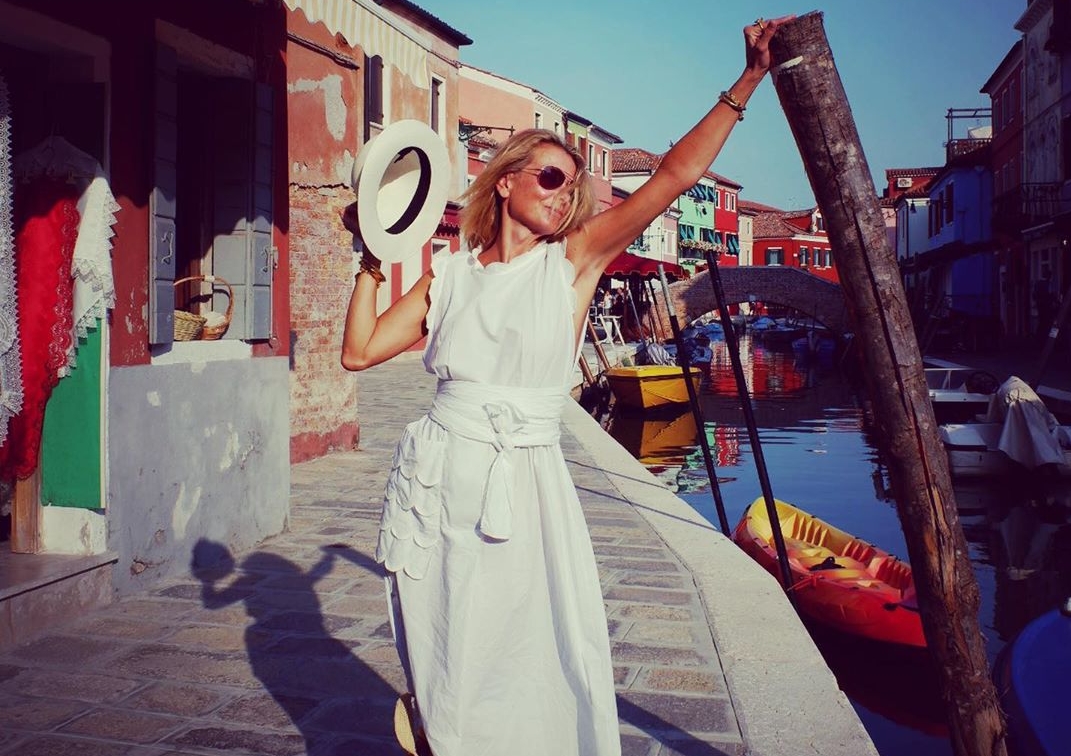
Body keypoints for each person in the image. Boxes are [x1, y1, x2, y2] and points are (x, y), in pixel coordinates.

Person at [340, 15, 790, 756]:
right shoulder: (449, 274)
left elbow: (673, 177)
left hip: (524, 477)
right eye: (549, 177)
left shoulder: (571, 262)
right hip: (439, 471)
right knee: (441, 630)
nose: (562, 194)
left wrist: (747, 80)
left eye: (571, 185)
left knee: (532, 642)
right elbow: (359, 353)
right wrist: (368, 255)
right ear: (506, 181)